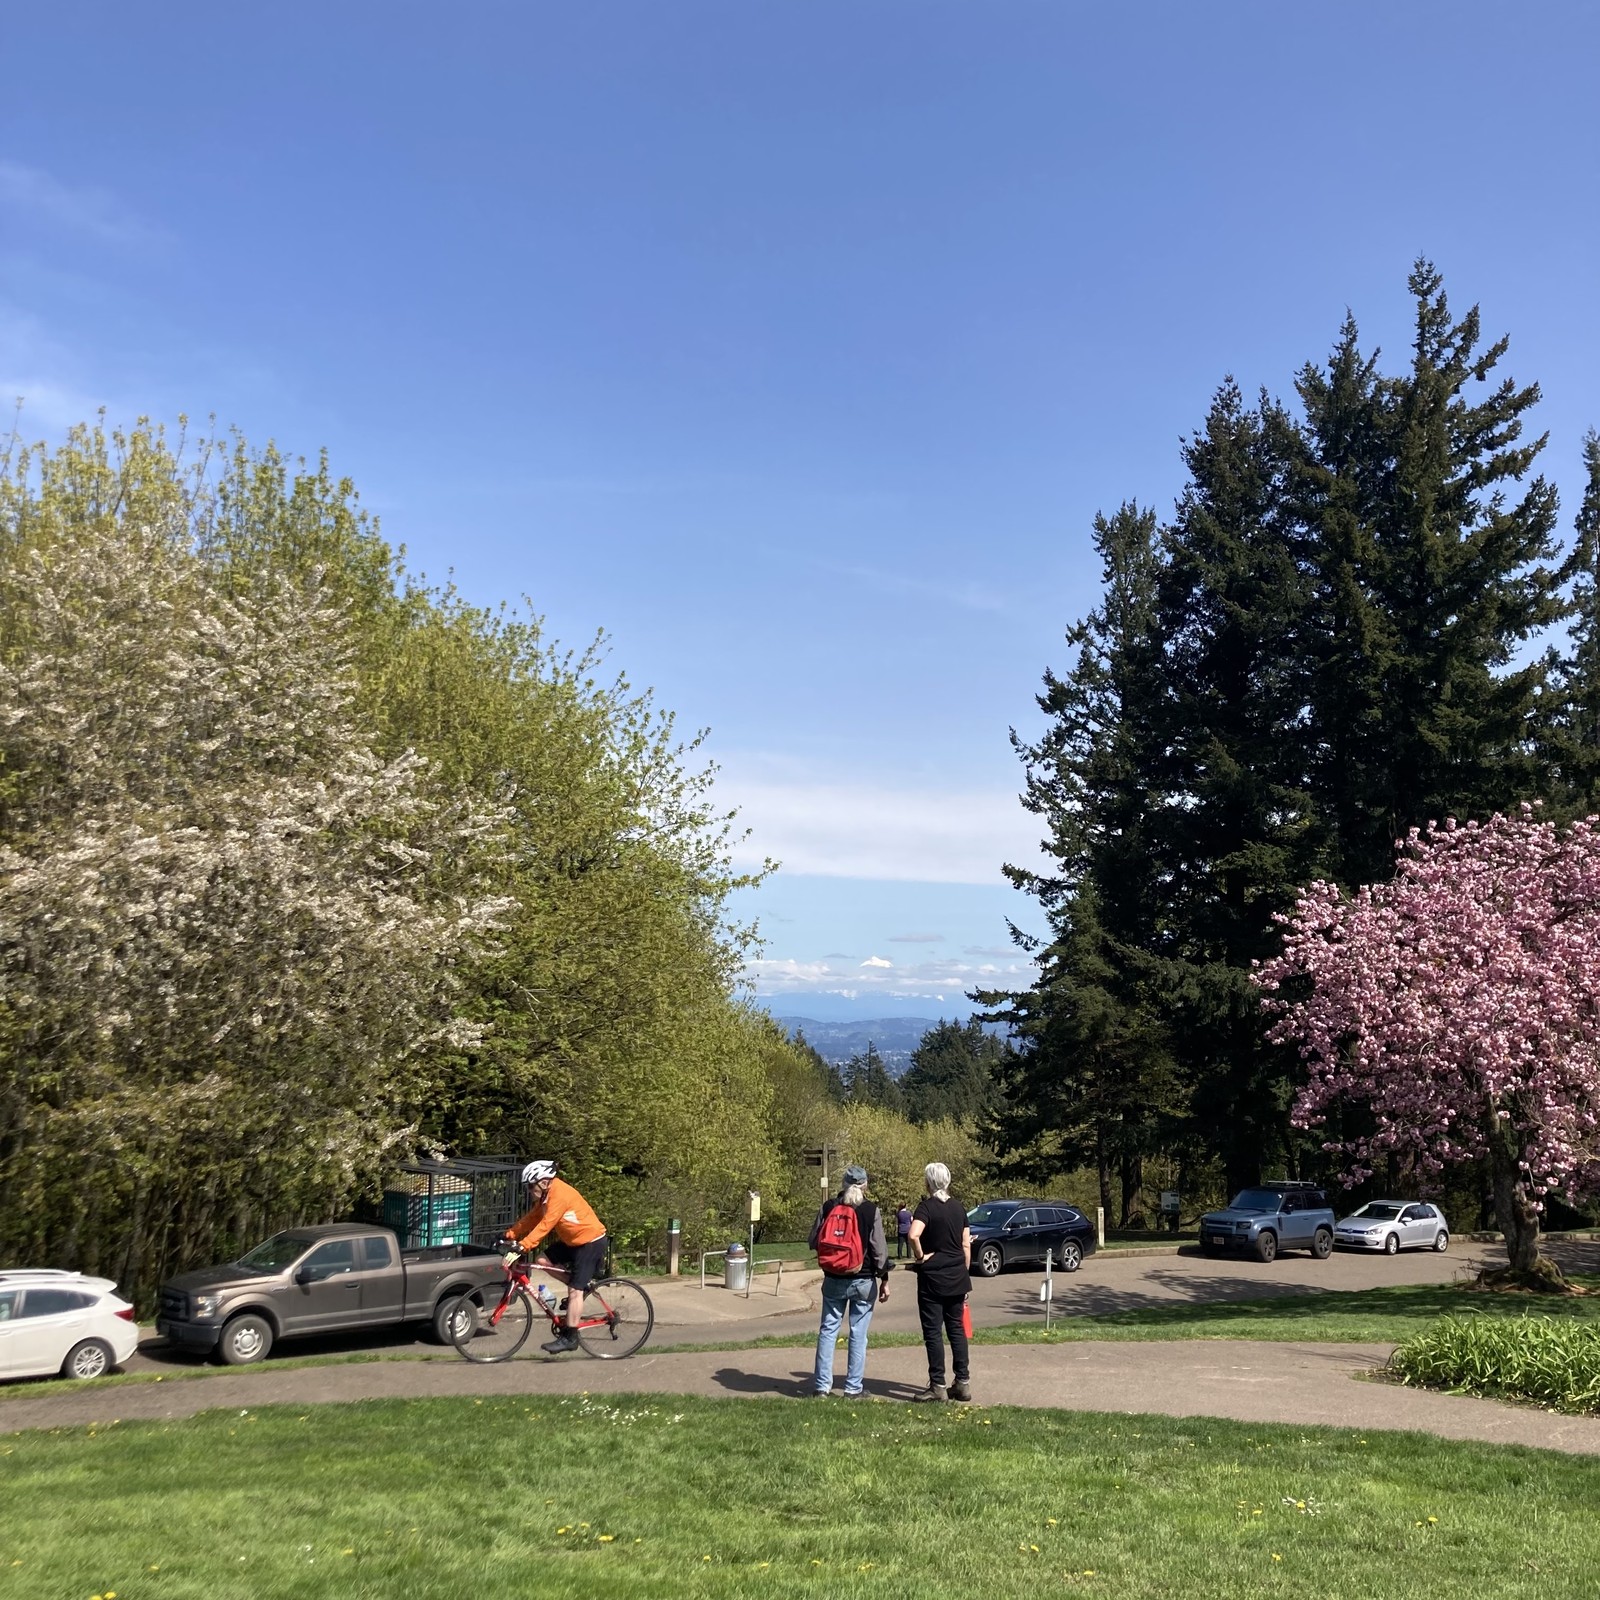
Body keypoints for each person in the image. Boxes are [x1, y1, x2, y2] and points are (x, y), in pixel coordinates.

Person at [503, 1159, 608, 1354]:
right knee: (542, 1260)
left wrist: (523, 1246)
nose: (528, 1191)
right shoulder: (545, 1196)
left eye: (530, 1186)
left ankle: (570, 1338)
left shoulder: (559, 1195)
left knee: (574, 1292)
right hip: (573, 1241)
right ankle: (580, 1285)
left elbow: (545, 1225)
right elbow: (532, 1218)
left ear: (543, 1182)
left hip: (590, 1242)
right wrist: (509, 1234)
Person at [805, 1164, 890, 1397]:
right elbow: (879, 1251)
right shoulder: (870, 1210)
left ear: (843, 1184)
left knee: (828, 1330)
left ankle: (822, 1387)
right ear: (865, 1186)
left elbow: (813, 1240)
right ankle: (853, 1389)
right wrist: (884, 1278)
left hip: (833, 1278)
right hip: (862, 1280)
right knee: (858, 1334)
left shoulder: (829, 1206)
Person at [908, 1161, 972, 1402]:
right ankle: (962, 1382)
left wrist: (921, 1256)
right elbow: (966, 1244)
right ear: (948, 1182)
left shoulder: (926, 1207)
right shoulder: (959, 1208)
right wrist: (963, 1273)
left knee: (933, 1332)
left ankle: (938, 1385)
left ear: (928, 1183)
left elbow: (913, 1234)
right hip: (957, 1275)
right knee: (957, 1329)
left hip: (933, 1277)